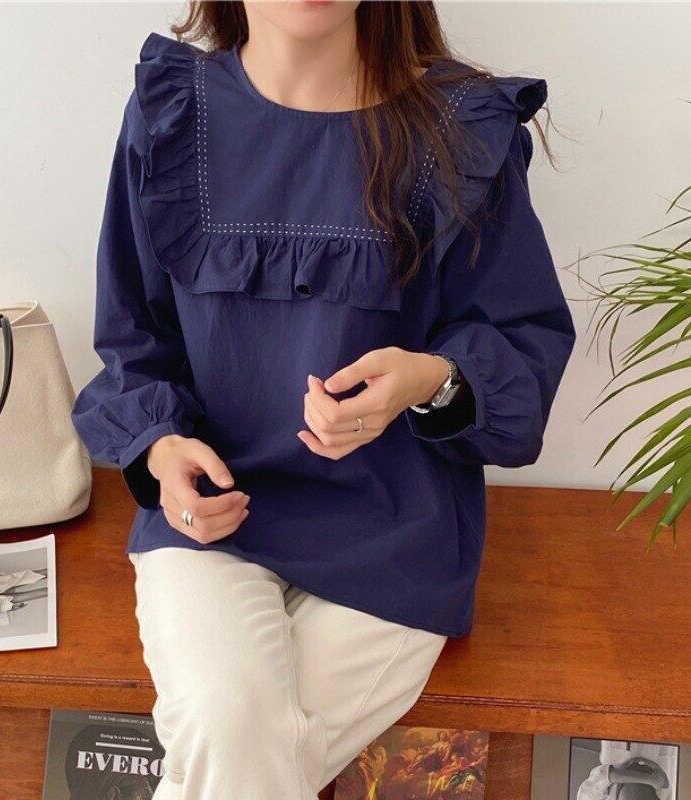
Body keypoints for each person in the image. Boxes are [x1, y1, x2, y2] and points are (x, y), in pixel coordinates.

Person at [71, 2, 575, 797]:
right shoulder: (174, 115)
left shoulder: (457, 128)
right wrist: (159, 450)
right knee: (229, 727)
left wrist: (426, 379)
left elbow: (523, 347)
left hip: (395, 532)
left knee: (234, 751)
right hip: (212, 523)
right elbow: (132, 337)